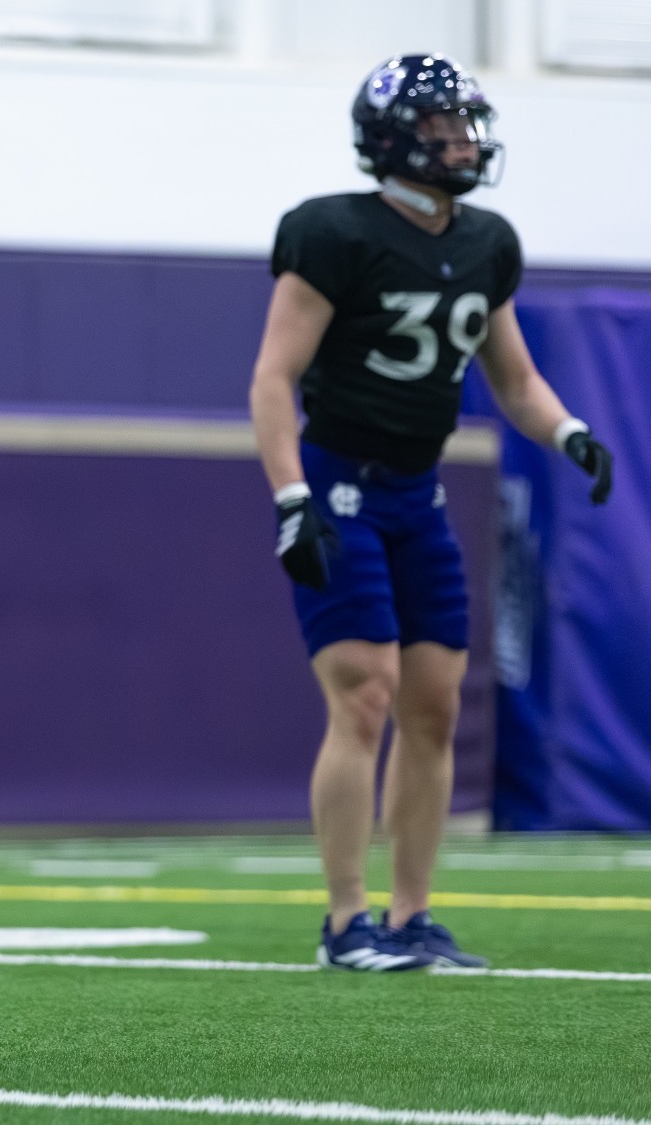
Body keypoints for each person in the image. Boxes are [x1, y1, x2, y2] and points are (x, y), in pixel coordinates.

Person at [250, 56, 613, 971]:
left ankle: (413, 915)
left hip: (420, 491)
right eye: (441, 124)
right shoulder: (333, 230)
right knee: (364, 693)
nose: (461, 139)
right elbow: (272, 377)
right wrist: (292, 498)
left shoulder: (487, 241)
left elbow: (516, 378)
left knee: (436, 706)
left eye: (464, 122)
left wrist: (569, 432)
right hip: (339, 483)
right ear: (392, 137)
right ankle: (345, 923)